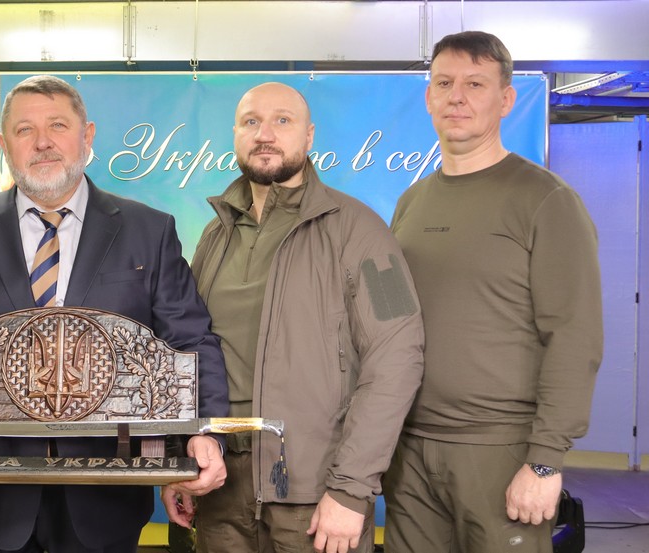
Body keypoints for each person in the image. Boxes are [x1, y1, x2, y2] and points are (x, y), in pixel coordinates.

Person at [0, 74, 230, 553]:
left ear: (87, 136)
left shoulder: (148, 230)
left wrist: (205, 433)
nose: (42, 142)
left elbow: (190, 344)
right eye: (24, 130)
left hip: (107, 503)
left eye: (58, 125)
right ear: (4, 145)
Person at [166, 81, 425, 553]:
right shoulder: (214, 236)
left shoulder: (362, 231)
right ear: (236, 135)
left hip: (315, 493)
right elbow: (186, 357)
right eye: (251, 122)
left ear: (309, 136)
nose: (264, 134)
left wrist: (351, 488)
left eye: (282, 121)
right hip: (219, 486)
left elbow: (399, 357)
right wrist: (178, 462)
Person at [382, 31, 603, 553]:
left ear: (505, 99)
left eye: (475, 84)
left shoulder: (547, 201)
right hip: (408, 449)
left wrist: (545, 460)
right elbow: (389, 316)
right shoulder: (411, 202)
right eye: (444, 84)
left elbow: (574, 338)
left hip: (501, 450)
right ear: (429, 97)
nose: (456, 97)